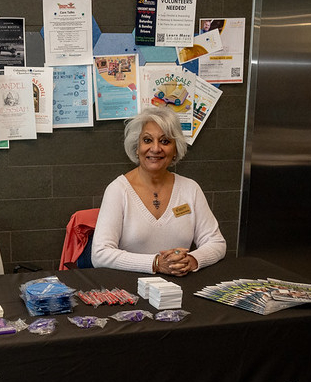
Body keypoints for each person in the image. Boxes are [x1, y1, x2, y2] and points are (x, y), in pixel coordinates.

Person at [91, 106, 226, 276]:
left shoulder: (191, 189)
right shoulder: (118, 190)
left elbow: (216, 242)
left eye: (165, 141)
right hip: (130, 292)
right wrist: (155, 263)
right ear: (136, 146)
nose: (155, 149)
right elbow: (99, 254)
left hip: (180, 289)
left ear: (175, 149)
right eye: (147, 140)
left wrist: (191, 260)